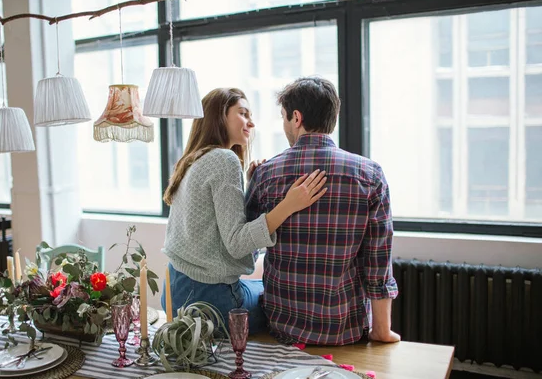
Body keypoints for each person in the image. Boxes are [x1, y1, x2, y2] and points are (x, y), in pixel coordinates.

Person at [245, 77, 400, 345]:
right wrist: (381, 330)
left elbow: (246, 246)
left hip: (283, 328)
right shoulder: (370, 175)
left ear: (296, 117)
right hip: (344, 329)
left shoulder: (266, 173)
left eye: (283, 116)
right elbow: (378, 260)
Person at [160, 87, 327, 334]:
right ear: (219, 115)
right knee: (282, 302)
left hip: (174, 293)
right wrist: (289, 205)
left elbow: (217, 224)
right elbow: (236, 243)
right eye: (243, 113)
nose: (251, 122)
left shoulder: (194, 159)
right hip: (209, 304)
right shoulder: (224, 160)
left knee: (259, 286)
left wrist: (249, 187)